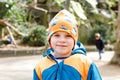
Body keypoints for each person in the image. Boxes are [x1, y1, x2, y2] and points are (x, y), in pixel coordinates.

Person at [33, 9, 102, 80]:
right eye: (57, 35)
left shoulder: (85, 64)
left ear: (74, 41)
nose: (62, 40)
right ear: (50, 39)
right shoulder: (40, 66)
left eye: (68, 36)